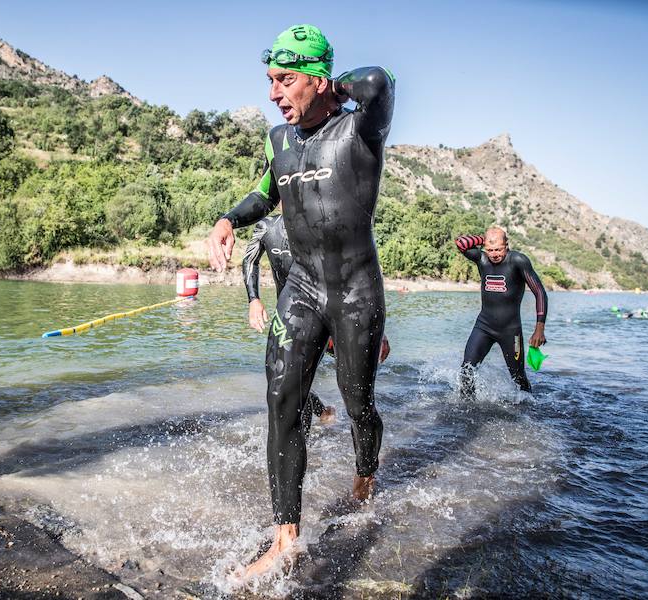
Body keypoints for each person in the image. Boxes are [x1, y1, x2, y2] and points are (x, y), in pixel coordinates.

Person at [206, 24, 395, 578]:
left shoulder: (360, 128)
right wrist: (228, 219)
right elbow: (266, 192)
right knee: (283, 402)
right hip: (301, 290)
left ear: (316, 78)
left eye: (284, 80)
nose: (273, 93)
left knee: (357, 403)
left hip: (356, 293)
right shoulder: (278, 139)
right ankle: (285, 535)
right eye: (269, 81)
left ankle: (365, 472)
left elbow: (378, 81)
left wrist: (332, 86)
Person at [243, 214, 393, 433]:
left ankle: (310, 445)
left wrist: (375, 326)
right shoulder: (267, 227)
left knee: (339, 390)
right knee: (280, 383)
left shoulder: (322, 223)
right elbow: (249, 259)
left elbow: (352, 272)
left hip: (329, 318)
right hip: (289, 318)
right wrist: (253, 300)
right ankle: (318, 419)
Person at [455, 227, 548, 399]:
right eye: (490, 250)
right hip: (484, 327)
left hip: (511, 331)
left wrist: (539, 328)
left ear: (507, 245)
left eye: (498, 249)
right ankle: (467, 411)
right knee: (466, 370)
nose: (494, 254)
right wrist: (482, 240)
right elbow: (460, 243)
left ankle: (529, 411)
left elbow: (540, 292)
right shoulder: (482, 259)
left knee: (518, 378)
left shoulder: (518, 261)